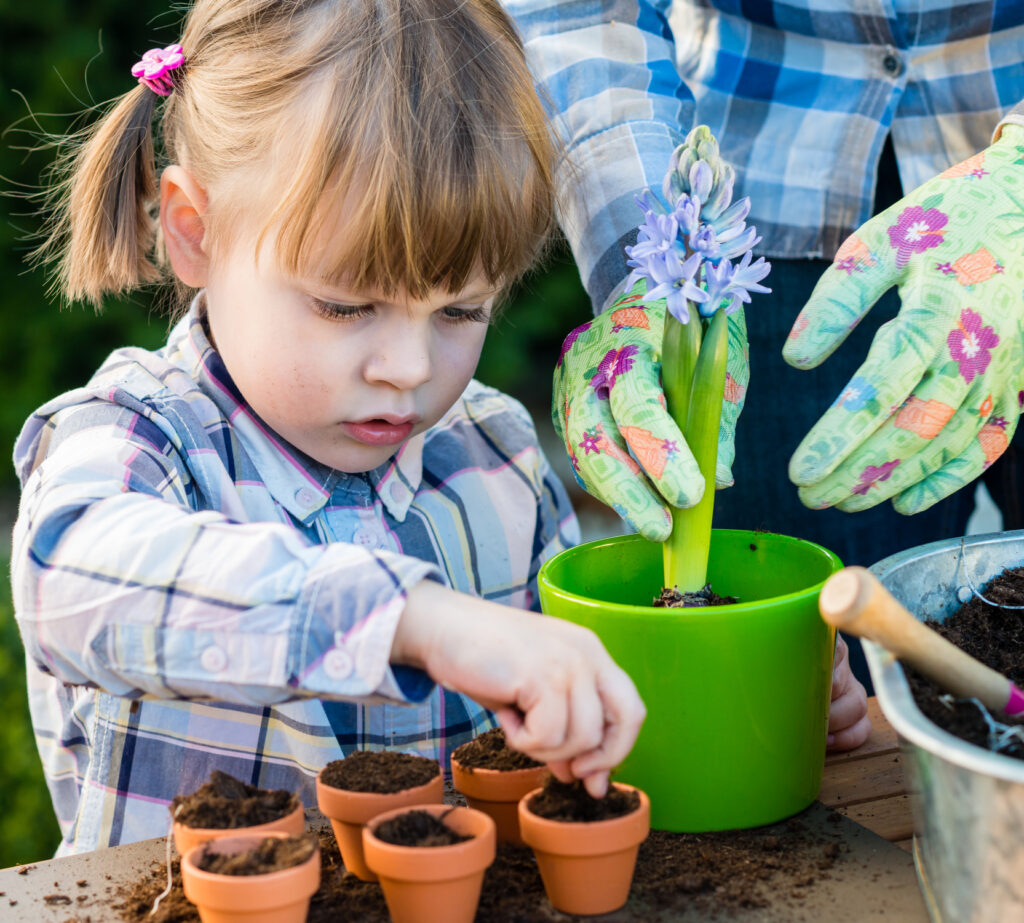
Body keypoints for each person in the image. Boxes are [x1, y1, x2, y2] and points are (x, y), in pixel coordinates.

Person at [11, 0, 652, 855]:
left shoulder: (493, 458)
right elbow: (66, 574)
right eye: (347, 304)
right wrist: (418, 620)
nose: (410, 367)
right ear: (195, 234)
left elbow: (572, 698)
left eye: (462, 309)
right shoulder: (141, 440)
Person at [507, 0, 1024, 703]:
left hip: (1009, 177)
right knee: (802, 698)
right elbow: (578, 14)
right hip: (771, 219)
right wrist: (644, 262)